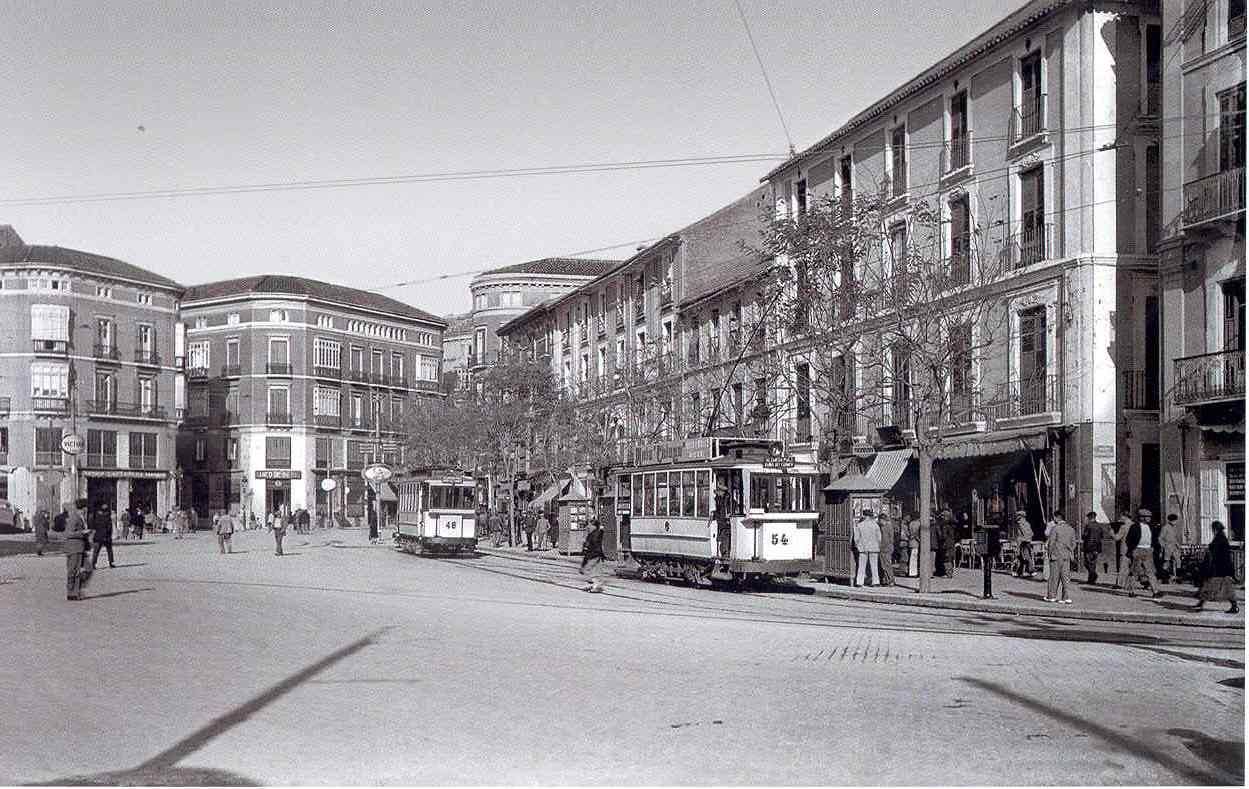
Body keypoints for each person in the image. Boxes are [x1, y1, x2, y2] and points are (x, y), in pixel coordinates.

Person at [1195, 521, 1239, 614]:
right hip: (1222, 567)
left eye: (1213, 529)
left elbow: (1215, 551)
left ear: (1215, 529)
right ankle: (1201, 603)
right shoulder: (1221, 537)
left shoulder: (1220, 538)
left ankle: (1234, 606)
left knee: (1213, 586)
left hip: (1220, 568)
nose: (1212, 531)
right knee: (1210, 586)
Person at [1124, 508, 1163, 598]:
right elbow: (1128, 540)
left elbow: (1155, 539)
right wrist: (1132, 550)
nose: (1149, 518)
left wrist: (1154, 548)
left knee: (1150, 571)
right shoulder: (1134, 527)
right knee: (1134, 572)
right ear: (1141, 517)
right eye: (1147, 517)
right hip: (1137, 550)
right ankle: (1131, 591)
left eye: (1149, 517)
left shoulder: (1152, 527)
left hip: (1148, 551)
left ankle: (1155, 591)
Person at [1045, 510, 1076, 603]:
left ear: (1056, 517)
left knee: (1054, 577)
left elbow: (1051, 543)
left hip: (1056, 556)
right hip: (1066, 556)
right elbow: (1073, 544)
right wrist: (1069, 551)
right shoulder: (1071, 529)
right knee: (1065, 578)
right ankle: (1065, 597)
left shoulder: (1055, 529)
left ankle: (1052, 596)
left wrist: (1049, 554)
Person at [64, 499, 92, 601]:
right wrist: (83, 533)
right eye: (86, 508)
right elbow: (68, 534)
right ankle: (72, 593)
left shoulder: (81, 518)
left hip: (81, 548)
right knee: (73, 570)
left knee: (89, 569)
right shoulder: (74, 518)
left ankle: (78, 589)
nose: (87, 510)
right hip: (74, 548)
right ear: (83, 508)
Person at [852, 509, 881, 588]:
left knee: (861, 566)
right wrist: (878, 545)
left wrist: (858, 546)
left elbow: (856, 538)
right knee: (874, 566)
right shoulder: (875, 525)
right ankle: (875, 582)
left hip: (863, 548)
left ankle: (859, 582)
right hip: (874, 547)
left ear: (864, 516)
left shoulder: (859, 525)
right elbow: (879, 538)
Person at [580, 517, 608, 593]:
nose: (587, 527)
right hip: (596, 554)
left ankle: (597, 585)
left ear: (594, 526)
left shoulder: (594, 535)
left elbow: (591, 545)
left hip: (594, 554)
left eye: (590, 525)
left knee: (589, 570)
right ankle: (596, 585)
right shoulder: (595, 533)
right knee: (595, 570)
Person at [977, 519, 1003, 599]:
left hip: (986, 545)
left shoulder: (981, 528)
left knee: (987, 568)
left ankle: (987, 593)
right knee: (988, 568)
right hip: (990, 547)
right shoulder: (994, 530)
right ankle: (988, 593)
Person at [1082, 512, 1106, 584]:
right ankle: (1091, 579)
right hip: (1097, 547)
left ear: (1089, 518)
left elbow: (1084, 536)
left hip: (1089, 547)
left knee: (1087, 563)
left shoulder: (1088, 526)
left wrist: (1083, 536)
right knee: (1093, 563)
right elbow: (1102, 536)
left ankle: (1093, 576)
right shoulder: (1099, 526)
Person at [1157, 513, 1182, 583]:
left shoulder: (1174, 528)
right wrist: (1163, 546)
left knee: (1177, 561)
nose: (1176, 522)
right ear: (1171, 520)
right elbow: (1160, 538)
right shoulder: (1165, 528)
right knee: (1166, 563)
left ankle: (1175, 577)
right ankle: (1164, 578)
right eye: (1175, 520)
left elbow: (1175, 538)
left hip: (1174, 547)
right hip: (1167, 547)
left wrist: (1178, 545)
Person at [89, 503, 116, 569]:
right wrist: (109, 535)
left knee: (96, 551)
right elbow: (110, 527)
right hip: (106, 536)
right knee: (109, 550)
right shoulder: (107, 516)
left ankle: (93, 564)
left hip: (98, 536)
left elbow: (93, 525)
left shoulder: (95, 516)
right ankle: (111, 563)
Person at [1013, 511, 1036, 578]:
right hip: (1027, 541)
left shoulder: (1020, 524)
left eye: (1018, 516)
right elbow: (1032, 533)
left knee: (1024, 556)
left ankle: (1031, 571)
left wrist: (1021, 541)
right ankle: (1019, 572)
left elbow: (1023, 534)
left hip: (1023, 542)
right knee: (1021, 557)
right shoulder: (1027, 524)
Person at [877, 511, 896, 586]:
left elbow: (885, 539)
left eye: (880, 520)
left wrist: (881, 547)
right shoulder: (888, 526)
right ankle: (888, 580)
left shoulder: (885, 527)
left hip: (885, 549)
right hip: (887, 548)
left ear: (882, 520)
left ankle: (891, 580)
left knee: (886, 565)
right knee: (885, 565)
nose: (879, 521)